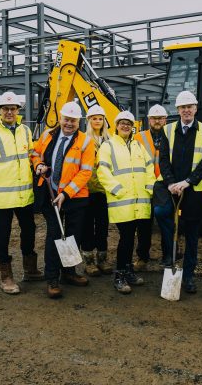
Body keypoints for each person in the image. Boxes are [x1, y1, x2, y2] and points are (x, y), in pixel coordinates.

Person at [0, 91, 43, 295]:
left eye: (13, 108)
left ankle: (29, 268)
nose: (9, 112)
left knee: (29, 230)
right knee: (3, 236)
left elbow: (31, 154)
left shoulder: (25, 131)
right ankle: (6, 276)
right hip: (2, 196)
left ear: (18, 111)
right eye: (5, 109)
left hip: (24, 195)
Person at [31, 101, 95, 299]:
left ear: (78, 122)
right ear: (60, 118)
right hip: (50, 194)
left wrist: (66, 193)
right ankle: (52, 278)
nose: (69, 123)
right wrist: (39, 164)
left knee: (73, 236)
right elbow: (34, 153)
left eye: (73, 120)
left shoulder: (85, 141)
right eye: (67, 119)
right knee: (55, 236)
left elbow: (86, 172)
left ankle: (69, 272)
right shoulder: (47, 135)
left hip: (74, 197)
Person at [157, 90, 202, 294]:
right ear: (178, 110)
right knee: (162, 215)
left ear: (196, 109)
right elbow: (163, 159)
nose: (186, 110)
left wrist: (188, 182)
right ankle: (170, 262)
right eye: (183, 107)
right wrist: (172, 183)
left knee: (191, 234)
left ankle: (188, 275)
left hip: (194, 191)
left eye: (190, 106)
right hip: (172, 189)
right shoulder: (168, 130)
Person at [97, 111, 155, 294]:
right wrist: (118, 190)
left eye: (128, 123)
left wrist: (151, 187)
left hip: (141, 200)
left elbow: (149, 167)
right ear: (116, 125)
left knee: (135, 237)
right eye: (122, 123)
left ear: (133, 127)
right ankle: (120, 275)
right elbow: (102, 172)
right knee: (126, 238)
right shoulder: (108, 146)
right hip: (122, 201)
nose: (125, 126)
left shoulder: (138, 146)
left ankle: (128, 271)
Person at [133, 103, 167, 270]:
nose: (157, 121)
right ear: (149, 120)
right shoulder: (139, 137)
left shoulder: (171, 135)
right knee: (144, 224)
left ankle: (168, 256)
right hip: (144, 186)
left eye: (160, 118)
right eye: (154, 118)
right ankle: (142, 257)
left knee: (166, 223)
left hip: (164, 185)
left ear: (165, 120)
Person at [81, 104, 112, 277]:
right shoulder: (83, 139)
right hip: (86, 189)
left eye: (100, 118)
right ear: (89, 121)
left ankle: (102, 258)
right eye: (94, 118)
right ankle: (88, 260)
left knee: (102, 225)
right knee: (87, 226)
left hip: (103, 190)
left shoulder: (110, 139)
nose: (97, 121)